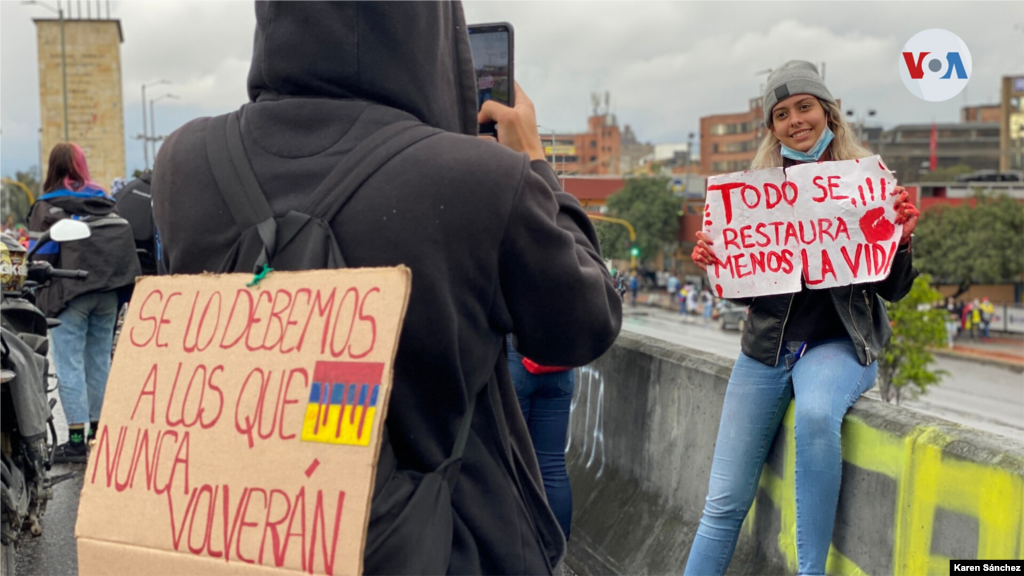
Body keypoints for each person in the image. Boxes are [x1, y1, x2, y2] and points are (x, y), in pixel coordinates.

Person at [150, 2, 622, 574]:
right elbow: (583, 326)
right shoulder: (481, 178)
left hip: (245, 532)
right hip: (440, 543)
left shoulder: (183, 160)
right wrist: (536, 165)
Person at [687, 61, 919, 576]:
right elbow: (747, 294)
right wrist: (716, 262)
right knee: (722, 503)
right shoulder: (754, 196)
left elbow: (894, 289)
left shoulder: (869, 183)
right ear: (772, 127)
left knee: (816, 416)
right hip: (767, 349)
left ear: (828, 112)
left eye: (804, 107)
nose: (795, 121)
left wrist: (900, 242)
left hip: (840, 344)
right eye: (781, 113)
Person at [28, 142, 140, 463]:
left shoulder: (47, 205)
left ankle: (76, 441)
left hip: (70, 293)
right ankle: (98, 434)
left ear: (53, 167)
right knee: (99, 363)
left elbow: (41, 259)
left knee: (70, 366)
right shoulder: (104, 201)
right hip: (108, 291)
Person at [506, 336, 575, 540]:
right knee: (553, 466)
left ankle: (512, 550)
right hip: (562, 366)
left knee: (507, 461)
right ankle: (555, 551)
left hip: (515, 361)